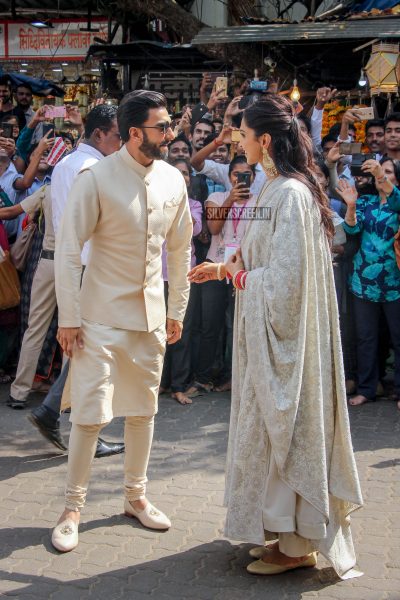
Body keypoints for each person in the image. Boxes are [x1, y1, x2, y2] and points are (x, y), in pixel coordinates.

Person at [189, 94, 363, 579]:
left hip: (284, 340)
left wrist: (237, 277)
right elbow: (259, 255)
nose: (237, 142)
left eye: (242, 135)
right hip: (264, 337)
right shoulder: (275, 188)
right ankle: (279, 531)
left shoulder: (289, 194)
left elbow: (285, 281)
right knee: (266, 431)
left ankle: (297, 543)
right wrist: (223, 268)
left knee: (283, 430)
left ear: (264, 140)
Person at [51, 90, 192, 552]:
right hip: (99, 318)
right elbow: (70, 252)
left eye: (170, 125)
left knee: (144, 412)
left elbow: (179, 250)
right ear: (135, 134)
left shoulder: (174, 180)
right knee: (90, 415)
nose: (171, 134)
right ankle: (72, 508)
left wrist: (176, 310)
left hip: (150, 318)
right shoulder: (97, 178)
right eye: (162, 127)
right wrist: (69, 319)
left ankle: (136, 497)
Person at [24, 104, 125, 458]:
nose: (121, 141)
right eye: (117, 134)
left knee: (85, 351)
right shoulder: (92, 167)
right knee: (92, 353)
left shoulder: (66, 164)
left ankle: (52, 410)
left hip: (73, 264)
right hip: (88, 267)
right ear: (99, 134)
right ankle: (77, 426)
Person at [187, 155, 256, 397]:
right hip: (215, 267)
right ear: (229, 178)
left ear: (254, 177)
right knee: (210, 325)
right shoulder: (216, 198)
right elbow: (214, 228)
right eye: (237, 175)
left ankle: (234, 378)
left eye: (246, 174)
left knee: (237, 327)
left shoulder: (260, 202)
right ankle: (203, 378)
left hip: (244, 270)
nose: (241, 179)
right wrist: (230, 198)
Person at [337, 157, 400, 411]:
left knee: (399, 338)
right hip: (363, 280)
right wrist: (351, 206)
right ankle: (366, 389)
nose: (380, 175)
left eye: (387, 171)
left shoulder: (396, 201)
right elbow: (352, 230)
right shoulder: (367, 201)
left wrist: (381, 178)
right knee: (365, 337)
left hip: (394, 280)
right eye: (378, 170)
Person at [160, 158, 202, 404]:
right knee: (157, 333)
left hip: (185, 277)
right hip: (157, 277)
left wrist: (178, 201)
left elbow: (193, 229)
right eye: (176, 173)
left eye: (185, 173)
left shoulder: (194, 204)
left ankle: (179, 386)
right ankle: (161, 384)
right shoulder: (157, 203)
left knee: (181, 334)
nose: (182, 177)